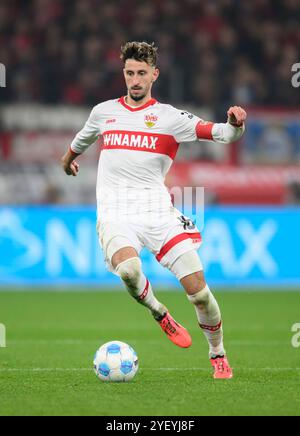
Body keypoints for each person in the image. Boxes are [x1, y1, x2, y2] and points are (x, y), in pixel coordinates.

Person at [61, 41, 247, 379]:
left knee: (200, 294)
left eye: (141, 73)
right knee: (130, 271)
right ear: (124, 74)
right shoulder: (103, 112)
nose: (135, 79)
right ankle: (159, 312)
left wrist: (235, 125)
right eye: (130, 73)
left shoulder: (169, 118)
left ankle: (218, 354)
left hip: (157, 213)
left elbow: (220, 133)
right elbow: (81, 140)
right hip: (115, 212)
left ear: (154, 75)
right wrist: (68, 160)